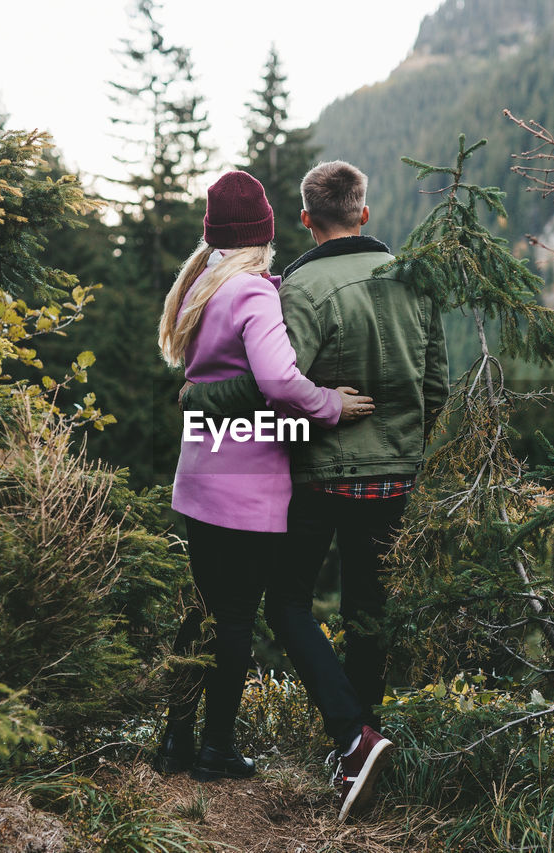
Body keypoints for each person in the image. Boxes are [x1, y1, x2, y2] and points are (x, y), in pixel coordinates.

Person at [184, 160, 449, 818]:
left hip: (319, 476)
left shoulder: (295, 285)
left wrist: (203, 398)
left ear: (306, 218)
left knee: (287, 604)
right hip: (393, 475)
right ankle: (362, 751)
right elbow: (436, 384)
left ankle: (353, 740)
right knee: (368, 611)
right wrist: (405, 445)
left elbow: (274, 382)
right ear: (365, 212)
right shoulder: (414, 279)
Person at [153, 170, 376, 784]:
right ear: (264, 233)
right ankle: (216, 750)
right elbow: (277, 381)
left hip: (201, 471)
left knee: (200, 610)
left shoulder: (200, 282)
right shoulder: (251, 291)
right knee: (235, 618)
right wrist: (330, 404)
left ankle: (174, 743)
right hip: (247, 481)